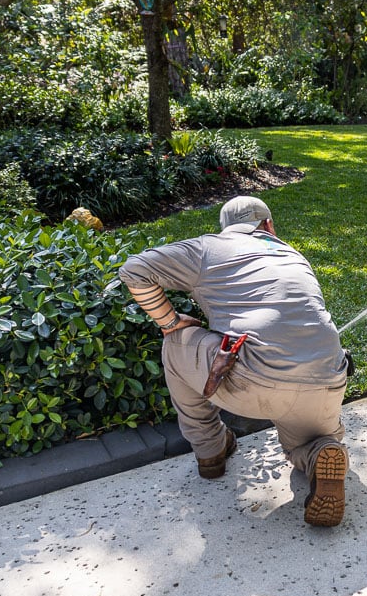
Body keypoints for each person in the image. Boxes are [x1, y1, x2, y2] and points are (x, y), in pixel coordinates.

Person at [118, 195, 350, 527]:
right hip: (326, 380)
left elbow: (134, 270)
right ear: (268, 225)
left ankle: (211, 449)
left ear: (227, 229)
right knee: (307, 444)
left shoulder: (208, 248)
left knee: (176, 343)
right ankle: (322, 454)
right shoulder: (292, 254)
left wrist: (170, 322)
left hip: (253, 381)